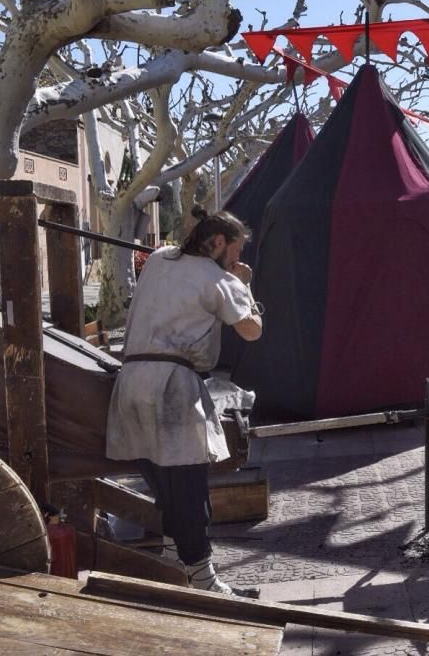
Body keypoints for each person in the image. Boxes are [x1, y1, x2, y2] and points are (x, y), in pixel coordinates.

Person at [106, 206, 262, 597]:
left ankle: (177, 567)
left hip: (131, 383)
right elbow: (251, 331)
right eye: (235, 252)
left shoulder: (159, 259)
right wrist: (244, 285)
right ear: (219, 242)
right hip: (171, 388)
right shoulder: (219, 280)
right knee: (190, 492)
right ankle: (204, 580)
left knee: (168, 492)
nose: (237, 261)